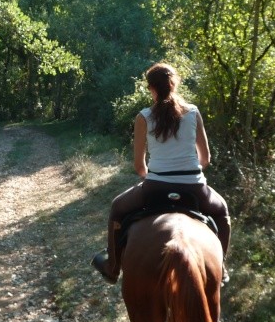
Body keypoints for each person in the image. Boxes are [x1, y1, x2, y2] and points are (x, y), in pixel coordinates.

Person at [91, 62, 231, 284]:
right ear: (174, 85)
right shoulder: (193, 112)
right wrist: (189, 172)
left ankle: (112, 266)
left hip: (156, 186)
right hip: (194, 187)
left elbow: (139, 166)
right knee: (222, 212)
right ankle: (221, 267)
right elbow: (206, 159)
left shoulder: (144, 117)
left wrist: (156, 176)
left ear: (151, 88)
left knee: (117, 208)